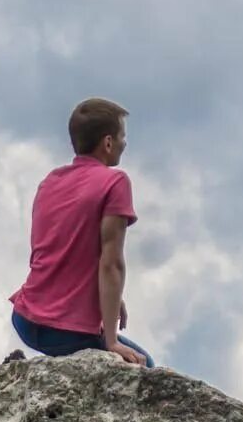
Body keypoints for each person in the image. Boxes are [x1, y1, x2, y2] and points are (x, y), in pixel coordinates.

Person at [10, 96, 157, 368]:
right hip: (62, 329)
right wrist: (111, 341)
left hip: (25, 318)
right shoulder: (115, 182)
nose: (125, 143)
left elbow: (60, 249)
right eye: (122, 136)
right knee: (144, 368)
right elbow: (111, 263)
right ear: (108, 142)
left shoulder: (51, 181)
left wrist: (109, 302)